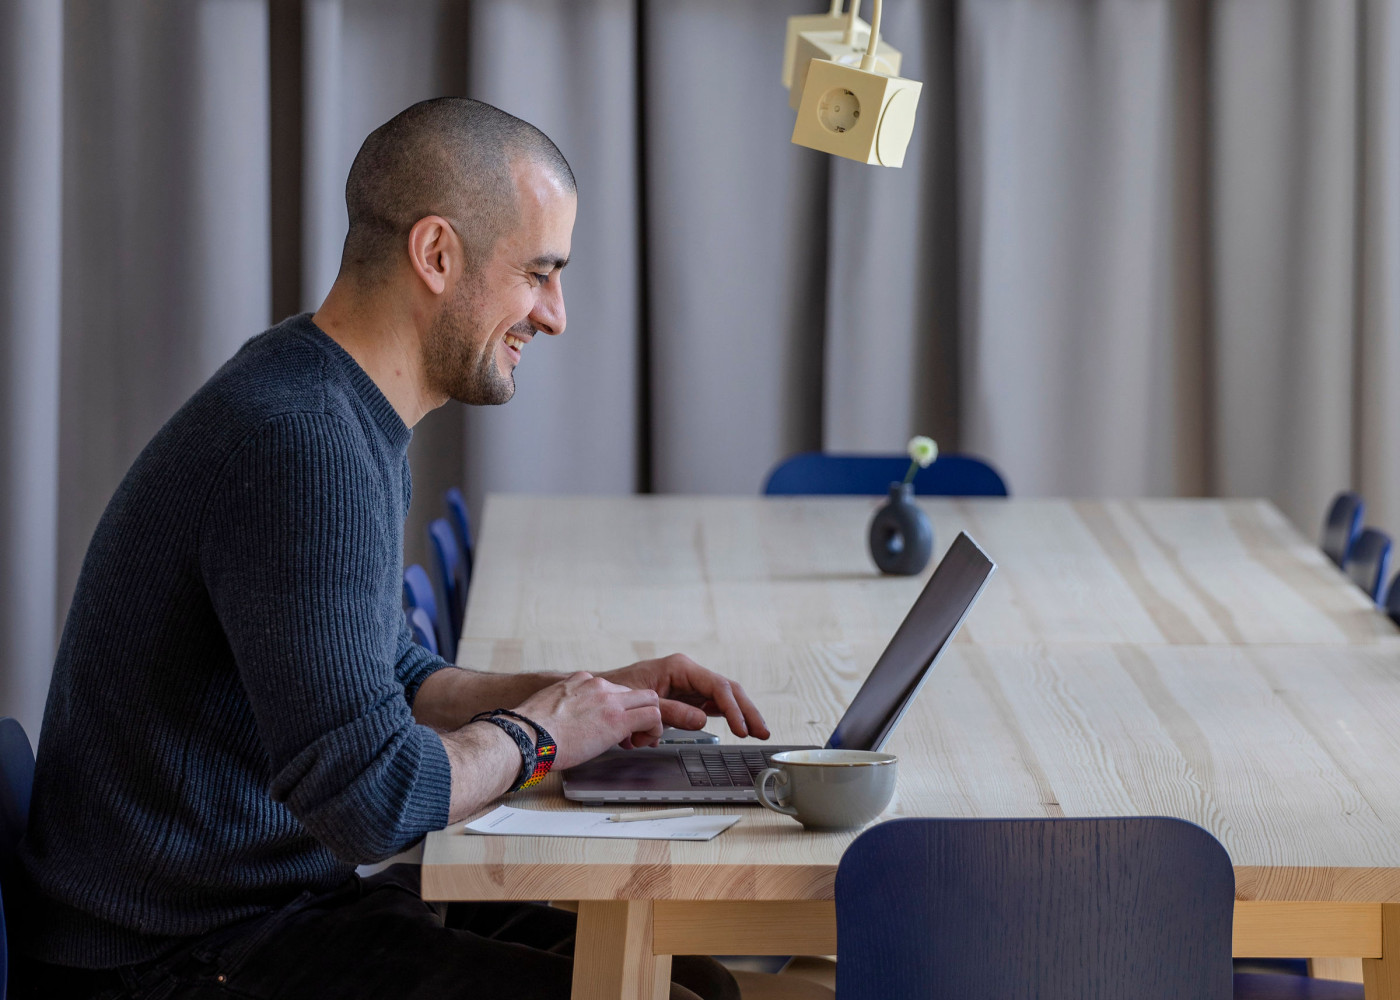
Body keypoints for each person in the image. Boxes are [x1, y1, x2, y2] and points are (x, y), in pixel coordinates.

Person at [13, 98, 769, 1000]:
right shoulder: (300, 440)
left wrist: (585, 703)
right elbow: (376, 801)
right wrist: (540, 738)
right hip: (173, 958)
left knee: (697, 984)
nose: (557, 315)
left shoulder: (327, 400)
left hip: (259, 911)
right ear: (438, 255)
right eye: (538, 272)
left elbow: (386, 670)